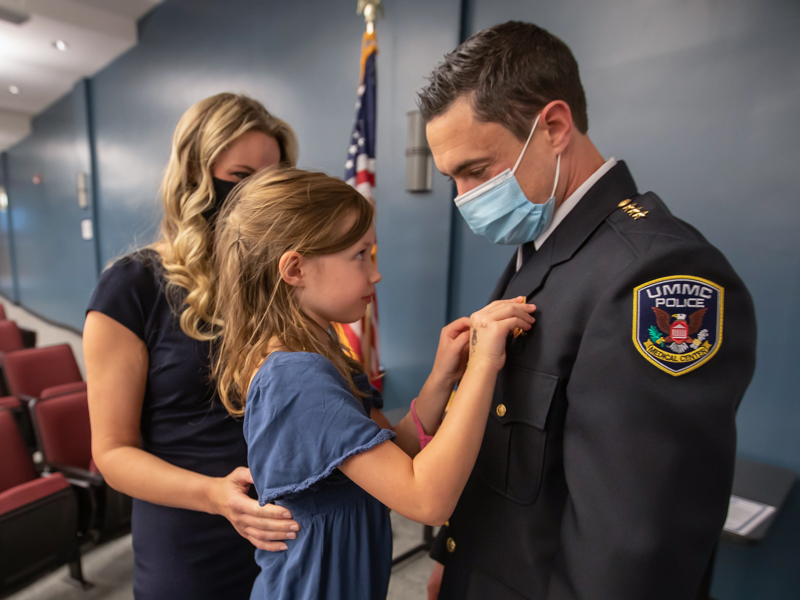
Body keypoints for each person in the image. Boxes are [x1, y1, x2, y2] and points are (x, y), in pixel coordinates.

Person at [417, 21, 757, 600]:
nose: (463, 199)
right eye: (452, 178)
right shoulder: (546, 246)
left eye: (476, 171)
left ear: (552, 126)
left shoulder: (655, 275)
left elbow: (634, 543)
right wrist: (454, 554)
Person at [211, 168, 537, 600]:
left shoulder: (322, 353)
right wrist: (484, 364)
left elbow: (392, 457)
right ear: (295, 268)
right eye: (360, 255)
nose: (375, 274)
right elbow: (426, 499)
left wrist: (442, 379)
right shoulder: (296, 376)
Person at [83, 93, 302, 600]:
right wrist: (213, 495)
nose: (252, 197)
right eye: (239, 176)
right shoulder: (131, 286)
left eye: (268, 182)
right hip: (191, 538)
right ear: (194, 179)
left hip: (286, 528)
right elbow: (113, 452)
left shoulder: (280, 281)